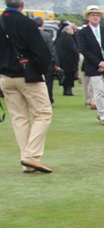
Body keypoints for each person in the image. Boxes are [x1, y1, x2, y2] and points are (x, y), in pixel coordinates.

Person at [0, 0, 53, 172]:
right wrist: (44, 70)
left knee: (19, 118)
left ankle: (27, 161)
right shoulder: (26, 23)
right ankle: (30, 155)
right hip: (27, 75)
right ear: (22, 4)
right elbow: (41, 52)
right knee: (43, 113)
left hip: (5, 76)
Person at [77, 5, 104, 125]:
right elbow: (84, 50)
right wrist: (98, 63)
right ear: (88, 17)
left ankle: (103, 110)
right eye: (93, 15)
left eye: (97, 15)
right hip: (93, 66)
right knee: (99, 91)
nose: (96, 17)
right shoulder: (83, 32)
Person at [56, 23, 79, 93]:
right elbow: (73, 50)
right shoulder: (69, 38)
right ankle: (69, 90)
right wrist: (76, 57)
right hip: (69, 60)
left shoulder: (59, 38)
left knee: (64, 75)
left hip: (61, 60)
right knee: (70, 75)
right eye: (71, 29)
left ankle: (65, 90)